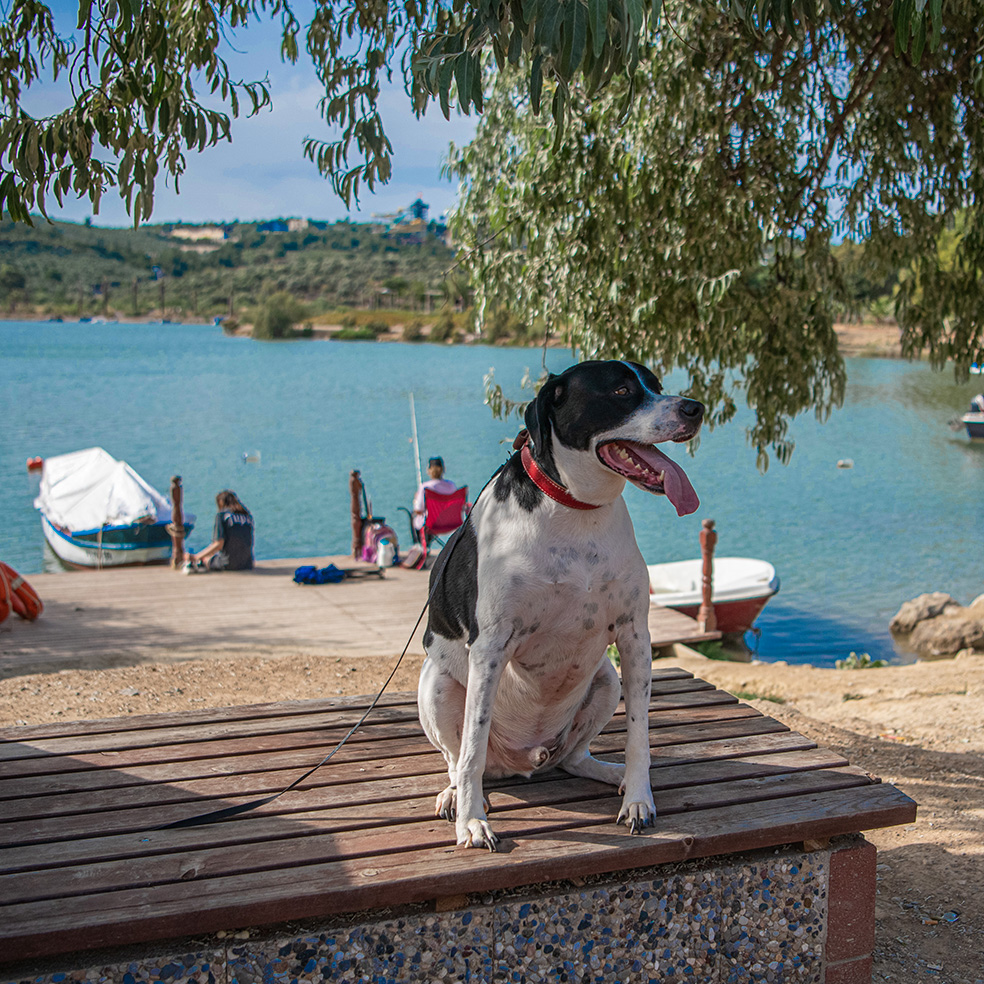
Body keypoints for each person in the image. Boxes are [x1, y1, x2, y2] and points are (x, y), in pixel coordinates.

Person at [185, 490, 254, 571]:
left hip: (228, 564)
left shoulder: (222, 516)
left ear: (220, 502)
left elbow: (218, 544)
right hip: (247, 564)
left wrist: (196, 557)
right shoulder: (247, 516)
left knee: (206, 559)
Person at [412, 456, 457, 534]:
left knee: (414, 518)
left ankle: (423, 544)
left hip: (432, 523)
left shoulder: (425, 487)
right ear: (443, 469)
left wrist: (415, 501)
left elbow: (419, 510)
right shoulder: (451, 485)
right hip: (450, 523)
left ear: (429, 470)